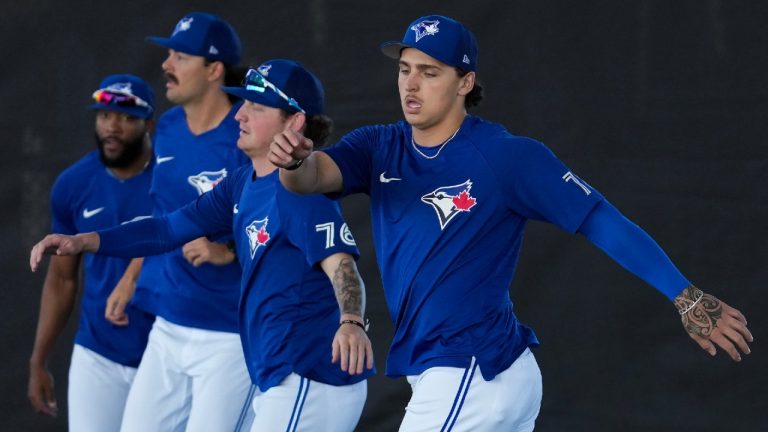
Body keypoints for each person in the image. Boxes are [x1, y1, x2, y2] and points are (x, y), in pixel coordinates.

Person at [267, 15, 754, 431]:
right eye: (404, 70)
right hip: (480, 372)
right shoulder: (379, 146)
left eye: (429, 72)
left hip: (471, 372)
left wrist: (684, 294)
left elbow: (600, 219)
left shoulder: (505, 157)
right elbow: (312, 178)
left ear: (465, 82)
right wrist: (292, 162)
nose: (410, 85)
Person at [30, 59, 375, 432]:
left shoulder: (301, 192)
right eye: (242, 103)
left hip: (309, 376)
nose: (240, 115)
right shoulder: (242, 182)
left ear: (294, 123)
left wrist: (352, 321)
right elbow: (167, 229)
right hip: (281, 377)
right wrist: (85, 240)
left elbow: (342, 265)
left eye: (256, 107)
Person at [104, 12, 252, 431]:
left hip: (229, 333)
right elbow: (160, 214)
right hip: (168, 322)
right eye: (168, 54)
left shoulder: (248, 128)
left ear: (213, 70)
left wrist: (227, 250)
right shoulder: (167, 127)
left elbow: (279, 216)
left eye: (180, 56)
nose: (166, 65)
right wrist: (131, 276)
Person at [27, 74, 156, 431]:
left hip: (165, 352)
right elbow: (62, 280)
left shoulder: (171, 177)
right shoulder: (73, 184)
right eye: (103, 116)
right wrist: (39, 359)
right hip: (98, 354)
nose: (112, 127)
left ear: (149, 123)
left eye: (126, 118)